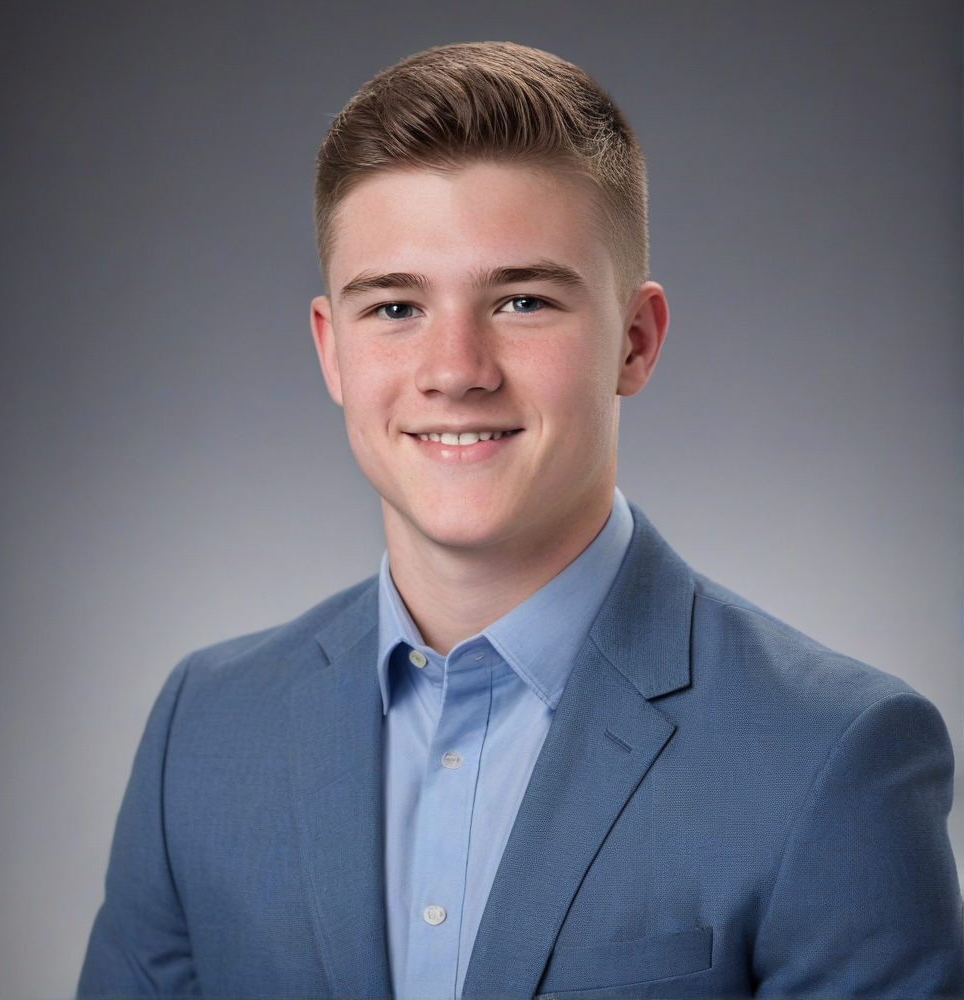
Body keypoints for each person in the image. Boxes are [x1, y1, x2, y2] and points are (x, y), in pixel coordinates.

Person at [77, 41, 962, 999]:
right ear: (332, 352)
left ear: (636, 340)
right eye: (395, 306)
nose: (456, 368)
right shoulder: (201, 731)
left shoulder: (835, 755)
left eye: (523, 299)